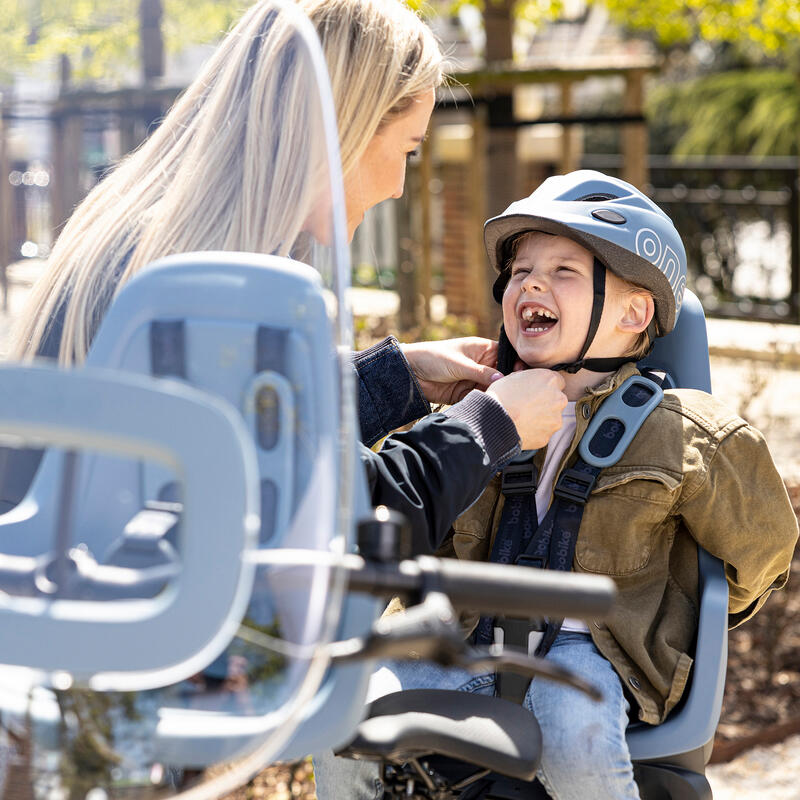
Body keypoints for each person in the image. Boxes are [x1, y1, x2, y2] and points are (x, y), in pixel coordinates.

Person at [0, 0, 568, 545]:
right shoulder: (237, 290)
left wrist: (396, 378)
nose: (398, 184)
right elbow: (346, 523)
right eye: (407, 149)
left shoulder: (150, 235)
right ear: (345, 129)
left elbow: (241, 427)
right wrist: (492, 423)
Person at [314, 171, 798, 799]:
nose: (532, 283)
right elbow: (409, 534)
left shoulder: (688, 436)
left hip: (585, 657)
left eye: (564, 271)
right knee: (341, 712)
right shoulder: (469, 416)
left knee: (577, 734)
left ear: (633, 311)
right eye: (519, 273)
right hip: (462, 645)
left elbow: (760, 550)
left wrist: (681, 612)